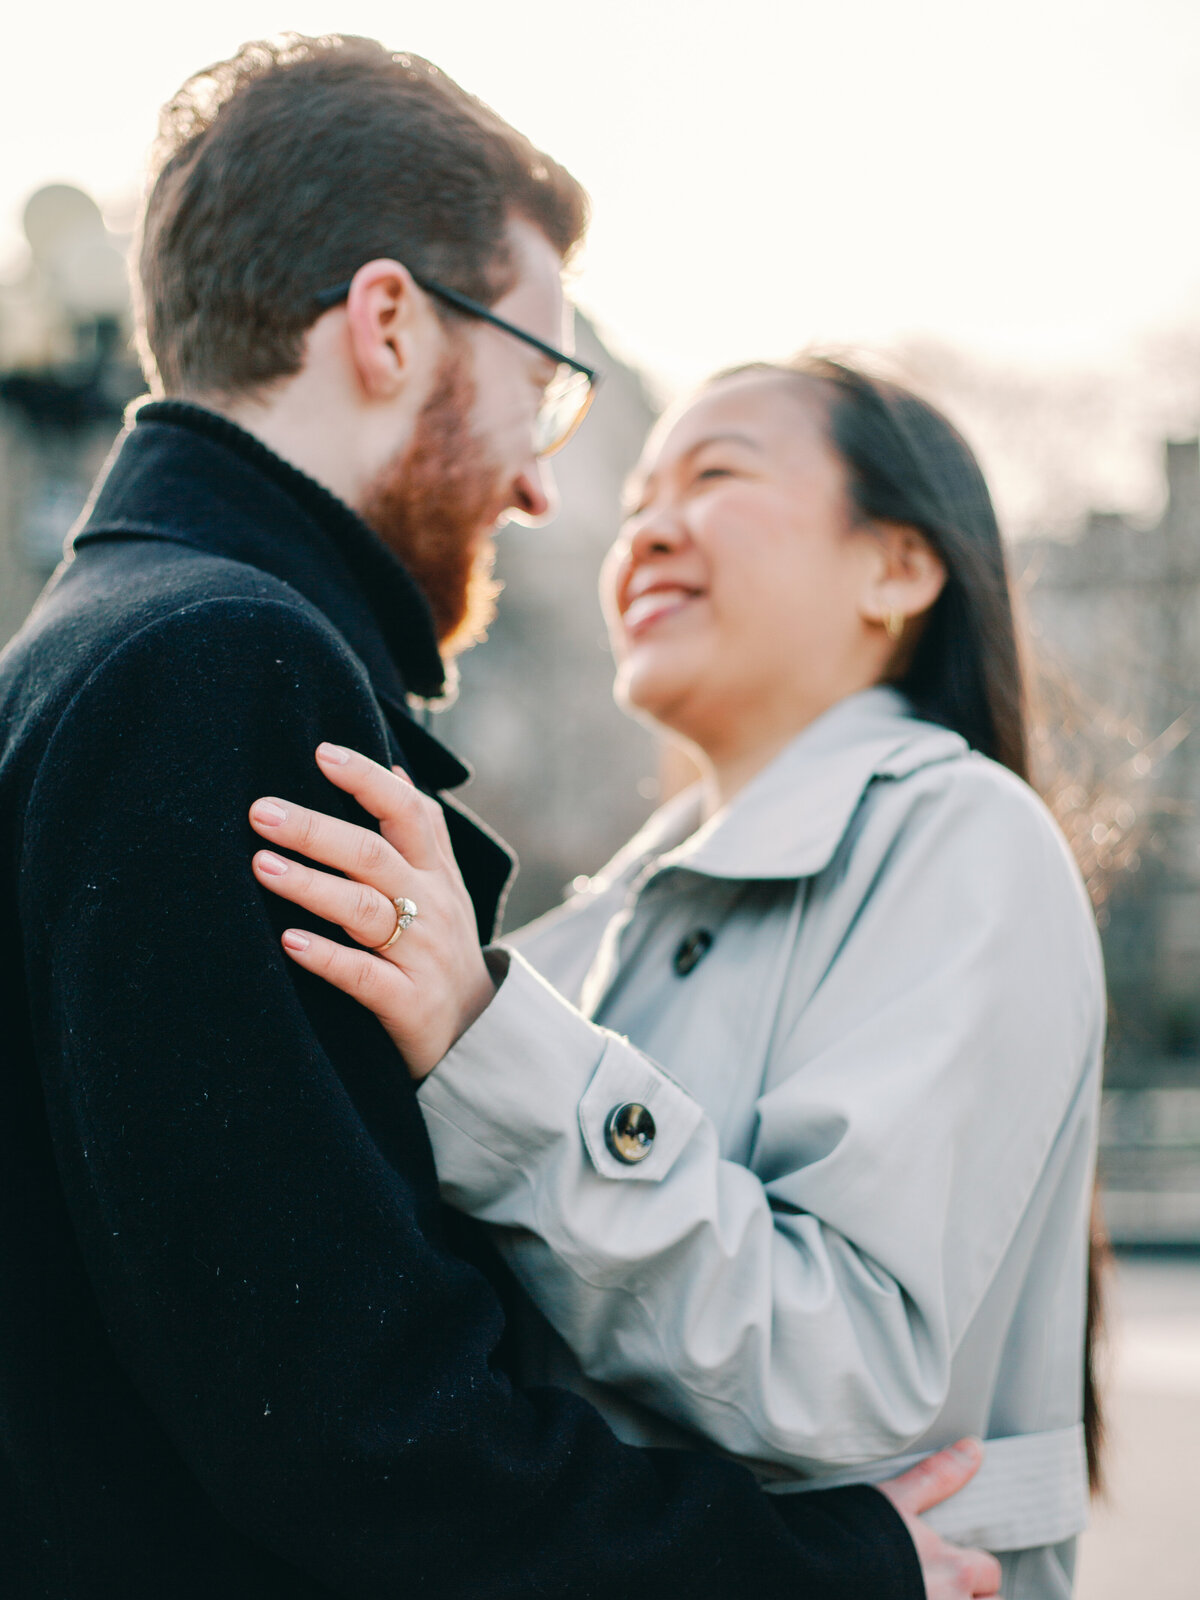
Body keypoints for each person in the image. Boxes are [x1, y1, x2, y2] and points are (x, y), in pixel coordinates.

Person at [0, 35, 999, 1600]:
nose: (542, 489)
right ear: (390, 324)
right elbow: (353, 1432)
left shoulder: (105, 645)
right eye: (542, 384)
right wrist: (828, 1571)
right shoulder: (221, 667)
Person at [247, 357, 1106, 1600]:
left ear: (899, 569)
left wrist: (487, 1050)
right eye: (639, 494)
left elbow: (841, 1368)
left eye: (715, 476)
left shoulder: (962, 837)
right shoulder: (587, 931)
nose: (643, 529)